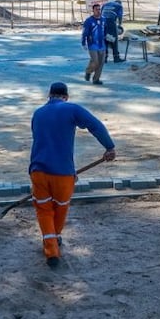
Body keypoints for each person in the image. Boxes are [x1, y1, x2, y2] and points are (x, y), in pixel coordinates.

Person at [29, 82, 116, 268]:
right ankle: (55, 237)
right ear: (66, 97)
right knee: (60, 207)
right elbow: (96, 126)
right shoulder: (72, 109)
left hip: (38, 171)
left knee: (44, 209)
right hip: (63, 173)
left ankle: (51, 248)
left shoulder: (37, 113)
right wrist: (109, 146)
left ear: (49, 95)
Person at [81, 3, 107, 85]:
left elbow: (105, 30)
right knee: (95, 61)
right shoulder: (89, 21)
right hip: (92, 44)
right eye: (97, 9)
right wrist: (83, 43)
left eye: (99, 9)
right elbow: (84, 32)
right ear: (93, 11)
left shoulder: (103, 19)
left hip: (102, 44)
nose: (98, 11)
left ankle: (96, 79)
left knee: (101, 62)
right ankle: (88, 72)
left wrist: (108, 37)